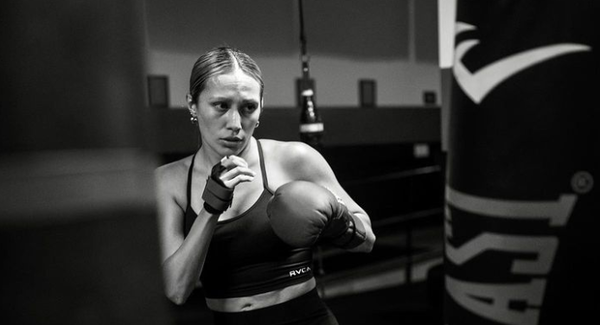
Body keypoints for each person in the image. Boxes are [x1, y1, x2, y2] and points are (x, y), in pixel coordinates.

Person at [154, 46, 376, 325]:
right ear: (192, 104)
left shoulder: (294, 159)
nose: (235, 123)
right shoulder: (170, 181)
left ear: (261, 107)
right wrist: (211, 208)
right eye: (221, 106)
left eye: (248, 107)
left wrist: (338, 220)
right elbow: (176, 290)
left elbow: (367, 241)